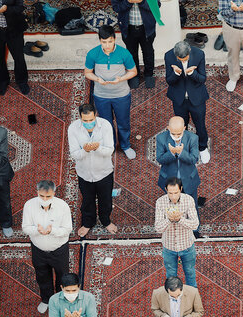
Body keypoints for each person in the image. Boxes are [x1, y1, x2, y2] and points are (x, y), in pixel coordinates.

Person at [84, 25, 138, 159]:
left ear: (114, 39)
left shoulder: (124, 53)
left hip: (121, 95)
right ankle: (111, 146)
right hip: (101, 96)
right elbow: (87, 73)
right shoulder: (92, 54)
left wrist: (121, 79)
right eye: (104, 42)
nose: (107, 45)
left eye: (110, 41)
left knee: (123, 122)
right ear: (99, 41)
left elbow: (133, 71)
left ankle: (125, 146)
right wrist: (97, 78)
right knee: (105, 123)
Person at [22, 180, 72, 314]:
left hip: (59, 250)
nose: (44, 199)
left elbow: (67, 229)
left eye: (48, 196)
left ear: (54, 194)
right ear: (37, 192)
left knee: (63, 276)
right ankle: (46, 299)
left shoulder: (63, 206)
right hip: (39, 250)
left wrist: (52, 231)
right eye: (41, 196)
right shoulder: (29, 205)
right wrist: (37, 230)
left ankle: (61, 300)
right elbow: (25, 228)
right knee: (42, 276)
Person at [68, 103, 117, 238]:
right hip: (84, 173)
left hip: (104, 172)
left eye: (91, 120)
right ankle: (88, 222)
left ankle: (106, 220)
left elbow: (109, 150)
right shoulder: (73, 129)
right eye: (85, 120)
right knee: (87, 200)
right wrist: (86, 150)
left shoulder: (105, 125)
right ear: (80, 117)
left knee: (105, 200)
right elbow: (74, 154)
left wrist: (97, 148)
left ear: (95, 115)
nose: (89, 123)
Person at [165, 41, 211, 164]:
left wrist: (192, 73)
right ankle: (182, 147)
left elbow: (202, 79)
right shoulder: (168, 56)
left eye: (185, 59)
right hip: (179, 99)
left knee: (200, 125)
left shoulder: (199, 54)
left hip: (196, 98)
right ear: (176, 56)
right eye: (181, 59)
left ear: (189, 52)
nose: (183, 61)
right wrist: (176, 73)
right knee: (181, 125)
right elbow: (169, 80)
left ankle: (202, 147)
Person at [154, 177, 200, 286]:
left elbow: (195, 224)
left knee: (190, 272)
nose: (173, 196)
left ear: (181, 189)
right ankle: (173, 297)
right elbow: (158, 228)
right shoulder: (160, 202)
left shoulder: (188, 200)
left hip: (187, 245)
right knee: (171, 275)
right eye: (170, 193)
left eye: (176, 193)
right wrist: (169, 220)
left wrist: (180, 220)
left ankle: (192, 295)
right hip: (169, 246)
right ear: (166, 190)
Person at [111, 0, 159, 89]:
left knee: (148, 52)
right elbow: (116, 8)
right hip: (128, 28)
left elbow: (157, 5)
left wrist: (141, 1)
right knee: (131, 53)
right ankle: (134, 74)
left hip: (146, 29)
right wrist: (128, 2)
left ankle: (148, 74)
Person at [156, 117, 201, 207]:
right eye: (173, 134)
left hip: (188, 179)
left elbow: (194, 159)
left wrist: (181, 153)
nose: (176, 137)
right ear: (168, 128)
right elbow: (160, 159)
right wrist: (171, 154)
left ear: (184, 128)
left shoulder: (193, 138)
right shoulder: (161, 138)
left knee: (192, 204)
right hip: (169, 180)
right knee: (171, 205)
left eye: (179, 134)